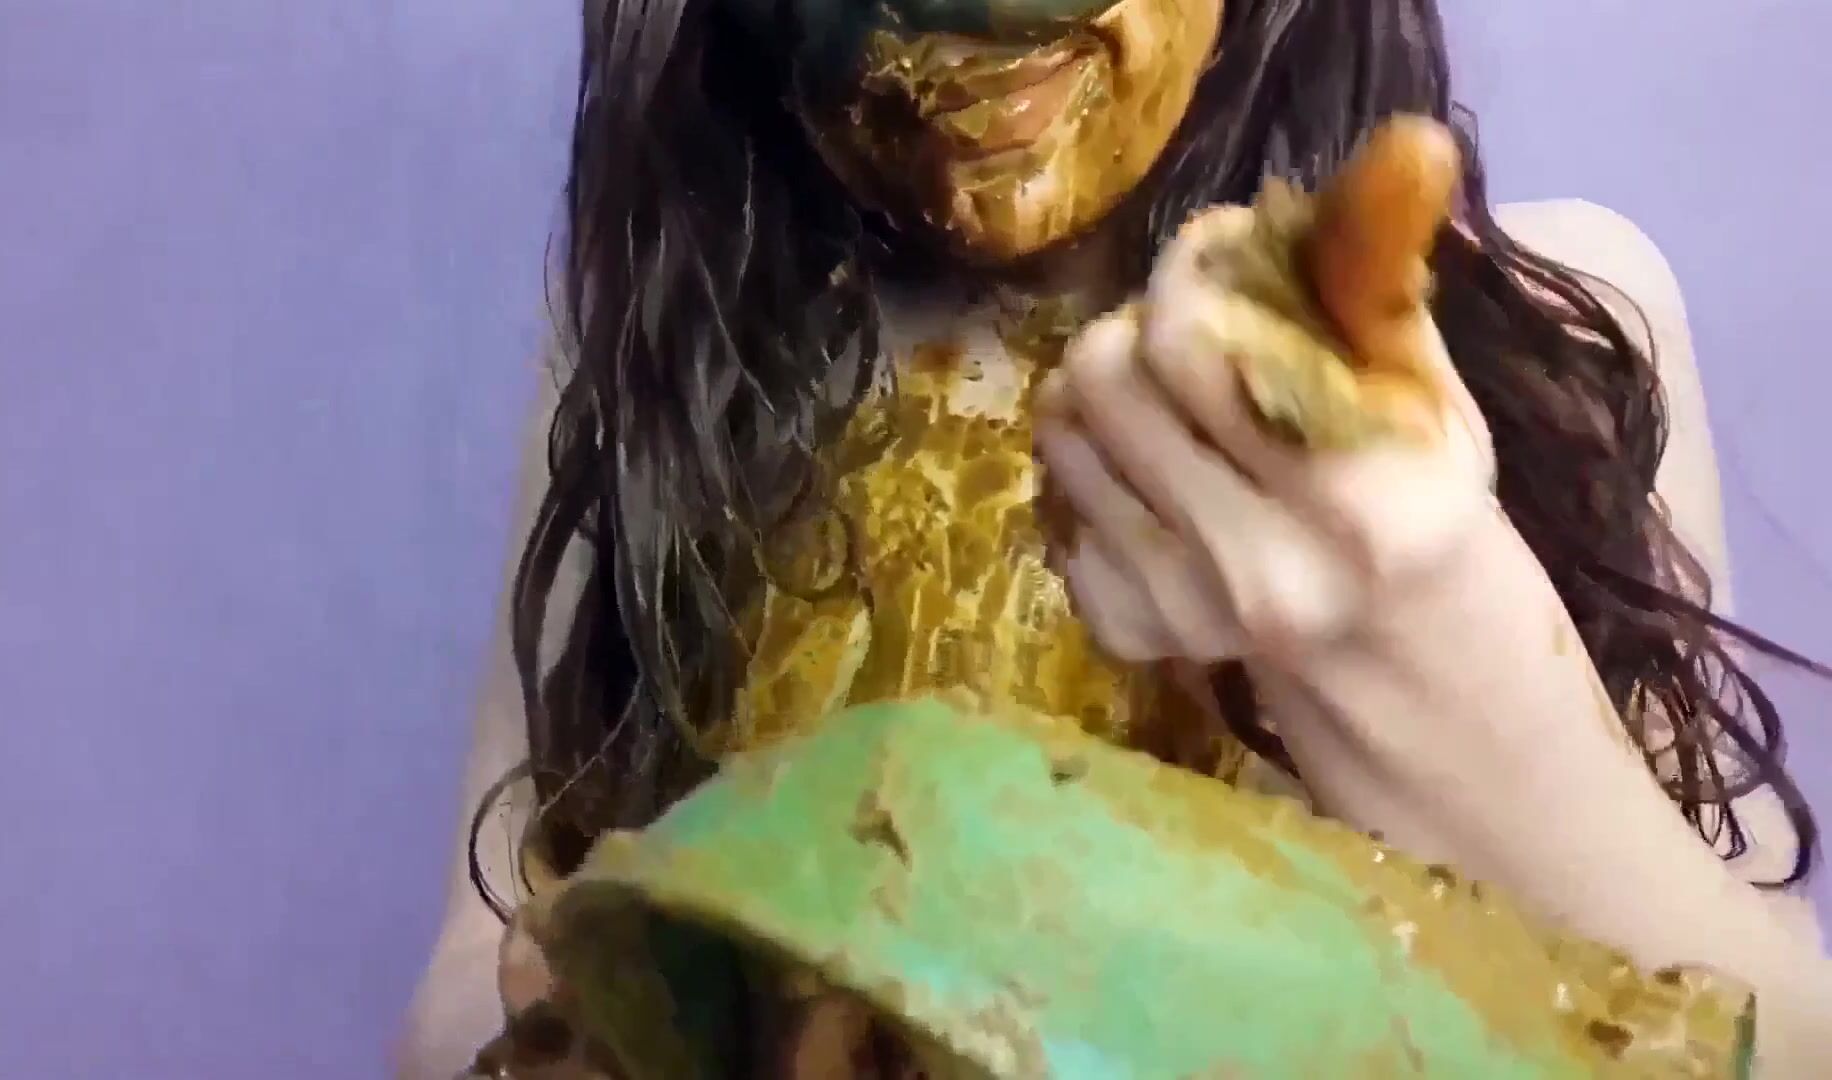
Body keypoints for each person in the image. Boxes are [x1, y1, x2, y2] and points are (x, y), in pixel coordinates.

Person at [402, 0, 1832, 1074]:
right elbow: (482, 963)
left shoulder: (1558, 334)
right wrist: (651, 989)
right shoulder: (688, 366)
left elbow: (1782, 1037)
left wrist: (1465, 670)